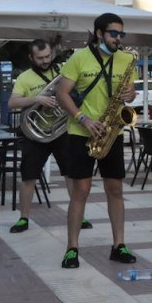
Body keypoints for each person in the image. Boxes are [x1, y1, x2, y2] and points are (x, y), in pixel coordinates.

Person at [55, 13, 138, 269]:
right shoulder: (79, 58)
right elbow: (61, 93)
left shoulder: (126, 59)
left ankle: (119, 245)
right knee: (80, 192)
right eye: (114, 33)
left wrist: (131, 93)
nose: (118, 39)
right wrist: (83, 119)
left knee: (116, 191)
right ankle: (72, 248)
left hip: (112, 132)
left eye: (121, 34)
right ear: (100, 33)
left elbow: (131, 93)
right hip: (82, 133)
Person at [8, 40, 94, 233]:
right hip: (36, 135)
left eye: (48, 56)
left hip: (62, 132)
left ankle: (79, 215)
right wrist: (37, 99)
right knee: (28, 177)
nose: (45, 60)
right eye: (40, 58)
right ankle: (24, 218)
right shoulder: (25, 78)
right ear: (31, 57)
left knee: (70, 175)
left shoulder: (63, 71)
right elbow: (12, 103)